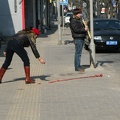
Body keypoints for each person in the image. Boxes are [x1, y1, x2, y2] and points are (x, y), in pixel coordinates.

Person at [69, 8, 88, 73]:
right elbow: (76, 30)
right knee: (78, 53)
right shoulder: (73, 21)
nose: (81, 14)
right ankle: (77, 67)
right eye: (79, 13)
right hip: (78, 38)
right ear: (76, 14)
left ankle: (78, 66)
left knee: (78, 53)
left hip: (80, 37)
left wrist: (84, 24)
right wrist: (84, 29)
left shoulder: (78, 20)